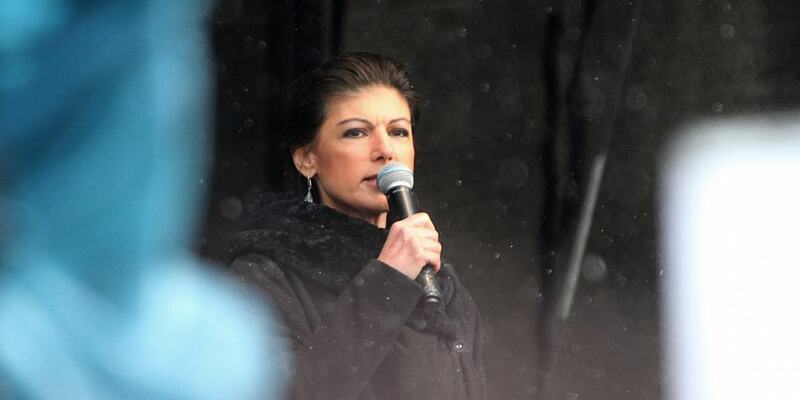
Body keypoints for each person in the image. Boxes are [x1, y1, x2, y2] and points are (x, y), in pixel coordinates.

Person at [227, 52, 486, 400]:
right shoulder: (265, 273)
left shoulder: (442, 286)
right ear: (307, 159)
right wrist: (386, 282)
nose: (384, 150)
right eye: (356, 132)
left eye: (398, 131)